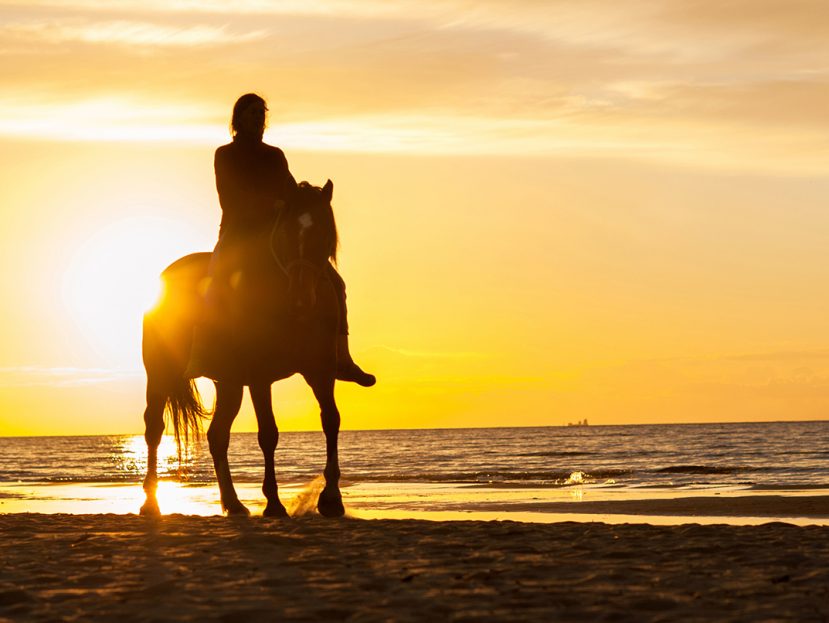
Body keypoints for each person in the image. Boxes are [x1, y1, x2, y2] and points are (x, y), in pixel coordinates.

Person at [189, 93, 375, 387]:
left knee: (336, 283)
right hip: (238, 233)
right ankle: (202, 348)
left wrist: (309, 198)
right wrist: (268, 205)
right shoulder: (225, 154)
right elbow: (228, 198)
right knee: (216, 273)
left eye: (260, 114)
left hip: (277, 234)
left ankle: (342, 357)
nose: (256, 119)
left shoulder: (275, 155)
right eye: (251, 114)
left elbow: (289, 188)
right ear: (238, 119)